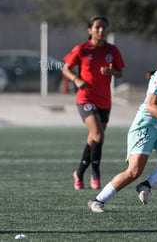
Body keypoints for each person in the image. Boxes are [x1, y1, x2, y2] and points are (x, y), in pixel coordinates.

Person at [87, 39, 157, 213]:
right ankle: (97, 200)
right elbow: (151, 107)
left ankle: (146, 185)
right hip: (146, 126)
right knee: (134, 171)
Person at [62, 15, 125, 190]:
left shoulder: (112, 50)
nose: (101, 30)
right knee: (98, 134)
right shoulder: (82, 49)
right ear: (90, 30)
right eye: (97, 27)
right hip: (86, 98)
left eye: (103, 27)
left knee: (94, 137)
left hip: (104, 99)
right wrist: (76, 79)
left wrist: (111, 72)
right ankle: (95, 173)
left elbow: (120, 72)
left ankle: (79, 172)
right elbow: (65, 68)